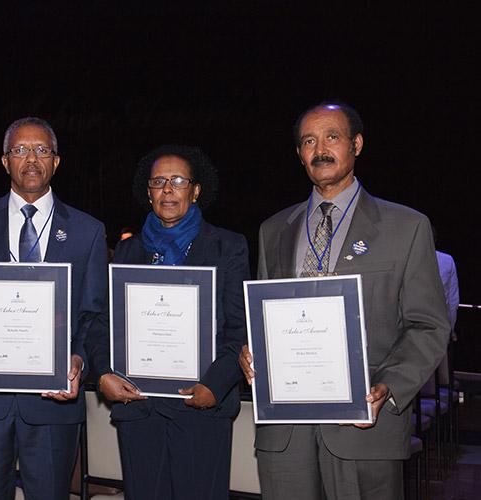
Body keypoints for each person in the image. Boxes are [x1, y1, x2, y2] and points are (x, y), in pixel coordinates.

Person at [239, 101, 450, 499]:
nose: (320, 148)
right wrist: (252, 354)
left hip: (365, 429)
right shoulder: (273, 230)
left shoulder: (406, 227)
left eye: (332, 137)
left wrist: (389, 386)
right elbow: (265, 318)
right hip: (284, 435)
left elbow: (428, 325)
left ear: (356, 144)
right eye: (308, 140)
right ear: (299, 155)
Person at [0, 116, 108, 500]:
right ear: (5, 161)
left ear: (56, 161)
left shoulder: (88, 231)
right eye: (20, 150)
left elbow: (94, 316)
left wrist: (80, 361)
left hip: (53, 405)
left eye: (41, 150)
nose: (31, 158)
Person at [92, 145, 250, 500]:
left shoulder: (228, 246)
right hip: (139, 409)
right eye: (158, 181)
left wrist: (216, 383)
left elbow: (239, 327)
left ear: (195, 190)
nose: (167, 189)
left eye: (177, 180)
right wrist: (103, 373)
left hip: (202, 409)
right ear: (147, 192)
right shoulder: (128, 252)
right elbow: (103, 322)